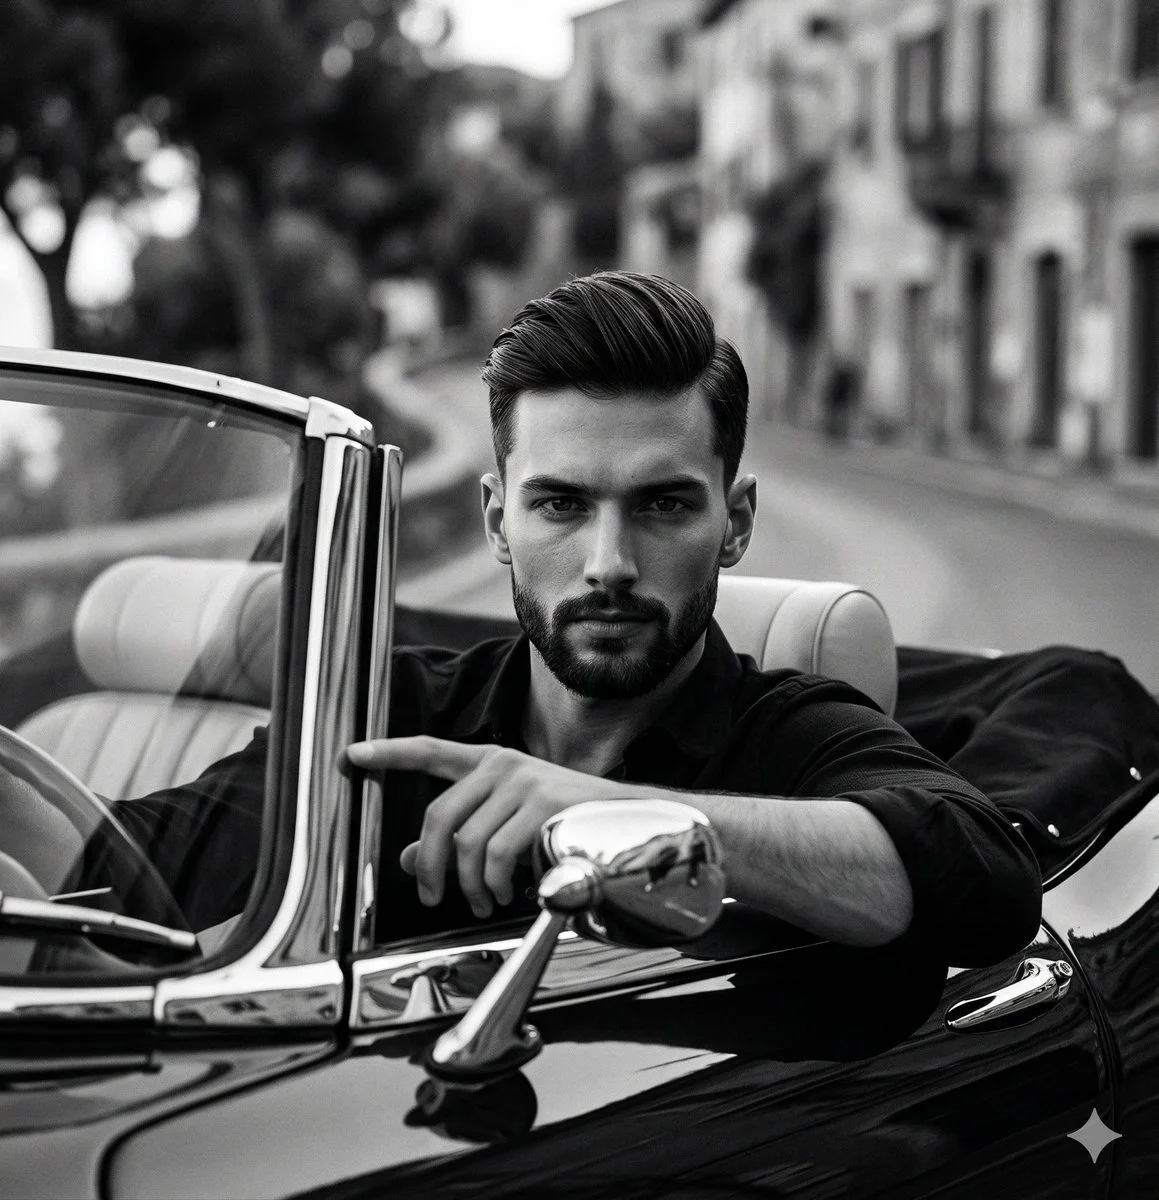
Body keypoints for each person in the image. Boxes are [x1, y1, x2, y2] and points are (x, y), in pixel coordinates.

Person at [88, 272, 1041, 965]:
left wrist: (616, 816)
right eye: (561, 505)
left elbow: (983, 883)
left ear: (735, 522)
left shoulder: (788, 733)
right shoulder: (392, 716)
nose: (609, 565)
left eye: (663, 505)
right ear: (497, 521)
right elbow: (116, 871)